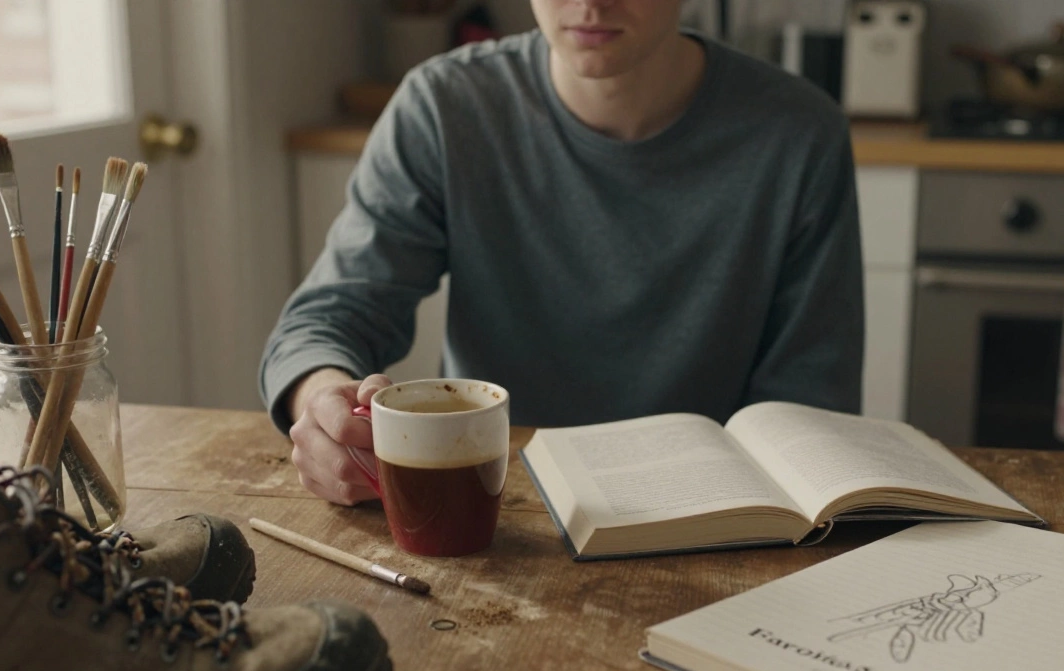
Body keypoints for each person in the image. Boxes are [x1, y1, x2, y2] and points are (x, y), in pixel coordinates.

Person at [261, 0, 864, 506]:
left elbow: (809, 405)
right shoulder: (446, 107)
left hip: (713, 517)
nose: (589, 1)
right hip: (490, 509)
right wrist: (324, 405)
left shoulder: (800, 134)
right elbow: (328, 317)